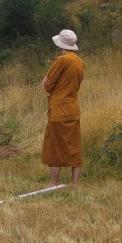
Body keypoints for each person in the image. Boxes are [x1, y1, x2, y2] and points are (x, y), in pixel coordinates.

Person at [42, 29, 85, 186]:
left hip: (59, 109)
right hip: (73, 107)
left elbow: (48, 84)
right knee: (74, 143)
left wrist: (45, 84)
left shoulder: (62, 60)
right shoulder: (80, 62)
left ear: (61, 44)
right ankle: (74, 182)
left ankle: (54, 182)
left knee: (55, 143)